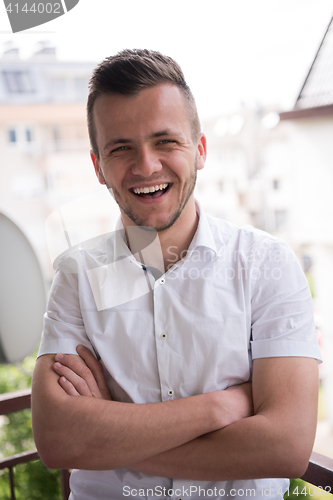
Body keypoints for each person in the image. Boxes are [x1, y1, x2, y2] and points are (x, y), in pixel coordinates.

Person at [32, 49, 322, 500]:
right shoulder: (77, 273)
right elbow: (57, 440)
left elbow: (285, 447)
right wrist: (220, 407)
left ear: (200, 150)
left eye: (165, 141)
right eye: (121, 148)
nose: (146, 166)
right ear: (98, 167)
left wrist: (109, 437)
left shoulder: (267, 263)